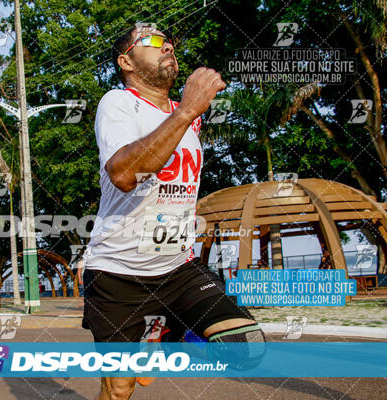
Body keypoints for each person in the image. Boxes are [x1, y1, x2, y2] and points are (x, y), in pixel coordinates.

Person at [81, 23, 265, 399]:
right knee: (119, 389)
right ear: (126, 61)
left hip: (176, 268)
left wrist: (188, 111)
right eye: (151, 41)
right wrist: (188, 110)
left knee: (247, 346)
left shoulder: (188, 118)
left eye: (170, 40)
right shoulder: (118, 103)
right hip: (117, 273)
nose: (166, 45)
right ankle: (157, 330)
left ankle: (164, 331)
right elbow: (124, 174)